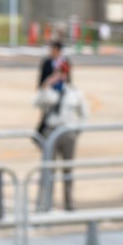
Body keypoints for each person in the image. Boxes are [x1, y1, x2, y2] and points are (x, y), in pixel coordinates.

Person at [34, 58, 88, 210]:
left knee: (68, 170)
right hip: (51, 132)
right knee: (48, 170)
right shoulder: (49, 91)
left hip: (67, 133)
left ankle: (69, 203)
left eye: (63, 72)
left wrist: (76, 132)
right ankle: (45, 203)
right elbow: (36, 102)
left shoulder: (75, 92)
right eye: (58, 72)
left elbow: (84, 114)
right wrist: (46, 85)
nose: (60, 75)